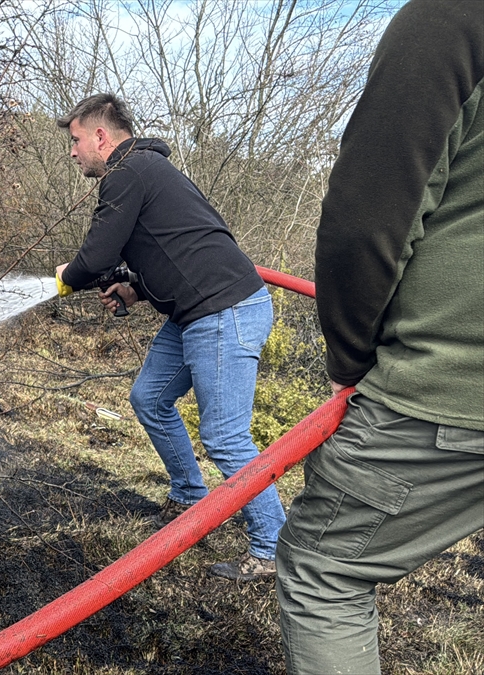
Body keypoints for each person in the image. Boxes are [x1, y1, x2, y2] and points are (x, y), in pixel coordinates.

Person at [275, 1, 484, 672]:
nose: (74, 151)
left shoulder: (451, 16)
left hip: (449, 386)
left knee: (322, 567)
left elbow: (364, 225)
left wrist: (351, 358)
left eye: (76, 140)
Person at [54, 93, 285, 580]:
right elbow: (172, 246)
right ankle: (188, 497)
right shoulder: (144, 171)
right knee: (149, 398)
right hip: (196, 313)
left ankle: (271, 549)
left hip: (224, 312)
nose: (72, 152)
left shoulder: (127, 173)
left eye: (75, 141)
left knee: (224, 437)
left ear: (101, 136)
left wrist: (67, 276)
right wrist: (134, 289)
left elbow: (94, 257)